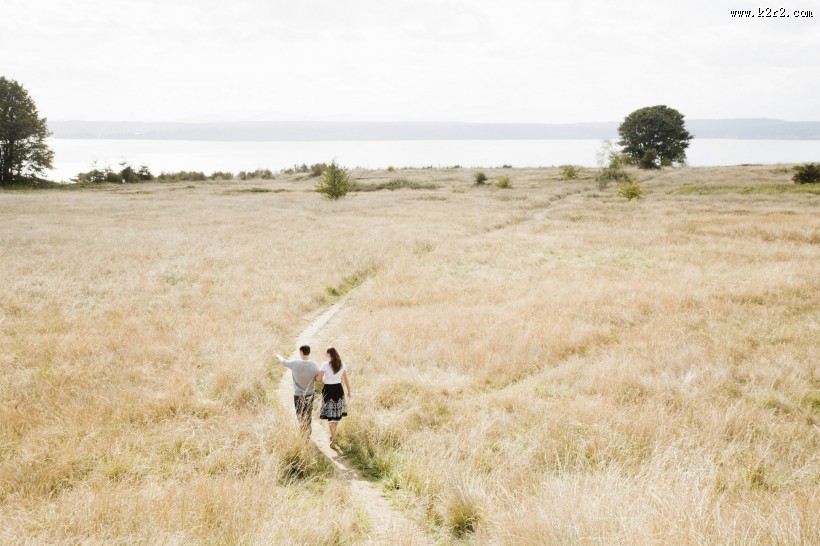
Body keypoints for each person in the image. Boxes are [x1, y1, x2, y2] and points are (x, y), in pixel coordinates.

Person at [276, 345, 320, 434]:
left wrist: (278, 356)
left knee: (300, 414)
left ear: (301, 352)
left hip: (298, 394)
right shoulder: (314, 365)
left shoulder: (295, 363)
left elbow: (283, 362)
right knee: (308, 413)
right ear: (309, 352)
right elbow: (319, 378)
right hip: (310, 394)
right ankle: (308, 430)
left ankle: (303, 431)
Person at [316, 346, 352, 449]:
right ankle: (333, 436)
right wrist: (349, 391)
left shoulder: (324, 365)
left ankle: (333, 439)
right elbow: (346, 379)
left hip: (329, 390)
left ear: (329, 354)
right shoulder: (342, 364)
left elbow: (318, 379)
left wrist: (320, 378)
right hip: (338, 389)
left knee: (330, 415)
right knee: (336, 415)